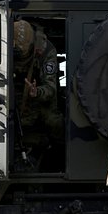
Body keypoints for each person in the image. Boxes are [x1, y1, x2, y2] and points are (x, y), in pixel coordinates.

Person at [12, 19, 64, 171]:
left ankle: (57, 156)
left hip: (39, 93)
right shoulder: (4, 42)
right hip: (15, 91)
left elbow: (51, 88)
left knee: (54, 121)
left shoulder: (46, 51)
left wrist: (36, 92)